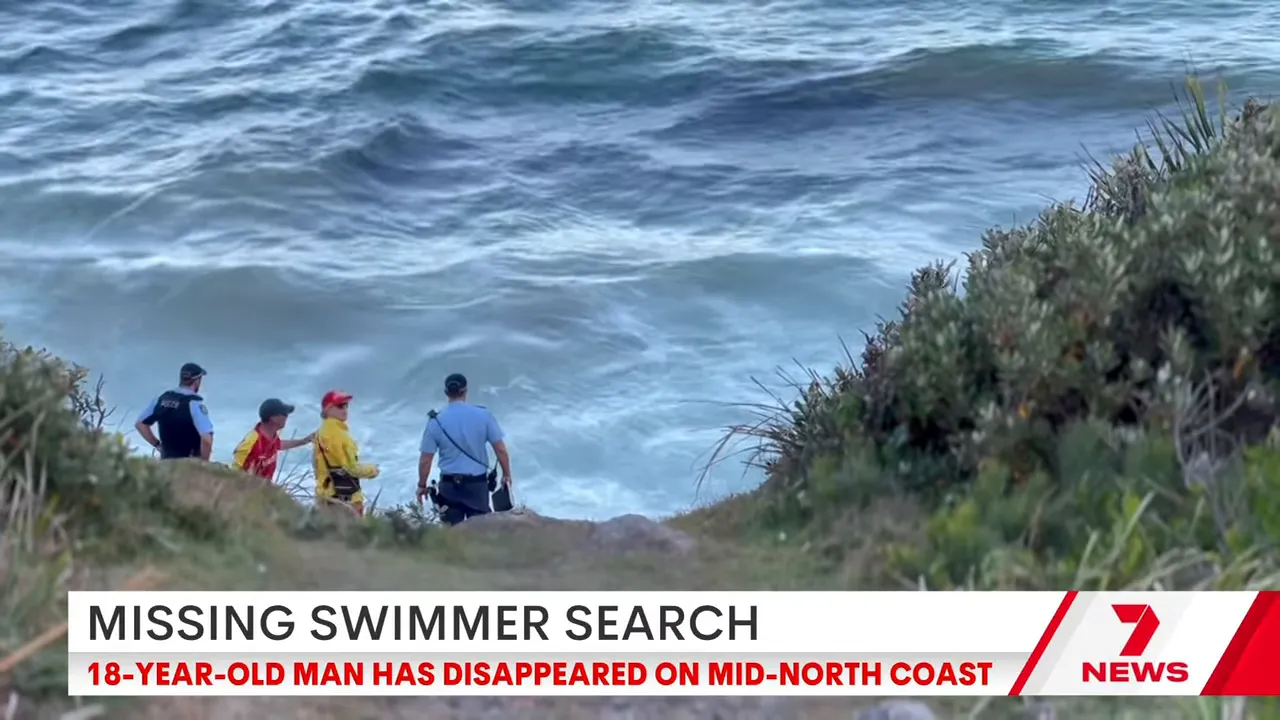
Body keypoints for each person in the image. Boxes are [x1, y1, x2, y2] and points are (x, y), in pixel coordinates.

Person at [417, 373, 512, 526]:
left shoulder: (435, 420)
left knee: (453, 534)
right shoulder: (484, 415)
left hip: (448, 487)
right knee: (481, 532)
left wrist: (421, 485)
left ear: (446, 393)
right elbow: (500, 450)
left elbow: (425, 460)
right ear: (465, 391)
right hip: (477, 486)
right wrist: (506, 475)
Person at [313, 390, 379, 516]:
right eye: (339, 406)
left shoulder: (319, 433)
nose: (344, 409)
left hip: (324, 495)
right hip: (345, 500)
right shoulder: (340, 436)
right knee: (352, 535)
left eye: (346, 405)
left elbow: (316, 467)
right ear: (328, 409)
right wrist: (373, 470)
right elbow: (350, 469)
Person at [135, 362, 214, 460]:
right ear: (197, 381)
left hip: (167, 462)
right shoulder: (194, 404)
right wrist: (204, 463)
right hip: (190, 463)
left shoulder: (161, 399)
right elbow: (207, 440)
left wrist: (158, 445)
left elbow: (140, 424)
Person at [232, 398, 315, 481]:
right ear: (273, 418)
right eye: (285, 414)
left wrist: (304, 441)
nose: (287, 417)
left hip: (263, 489)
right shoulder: (251, 443)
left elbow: (280, 444)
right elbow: (235, 474)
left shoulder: (271, 437)